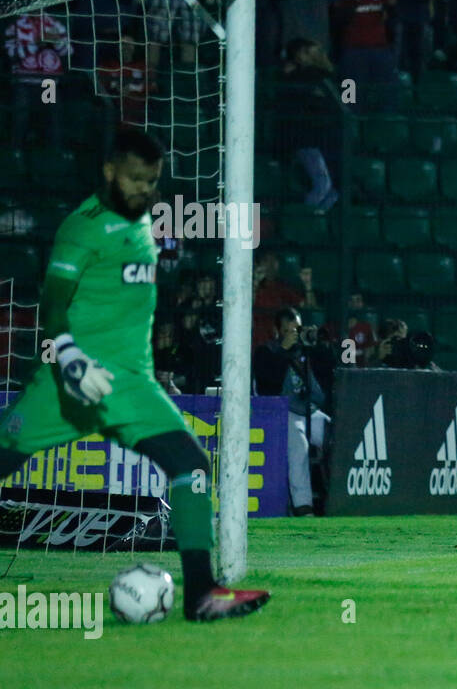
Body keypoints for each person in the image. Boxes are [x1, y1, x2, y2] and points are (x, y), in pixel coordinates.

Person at [0, 129, 269, 621]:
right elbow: (54, 301)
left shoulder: (145, 216)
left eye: (153, 181)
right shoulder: (82, 226)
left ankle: (202, 594)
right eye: (135, 179)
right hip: (71, 382)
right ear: (109, 172)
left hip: (133, 384)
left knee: (190, 466)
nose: (145, 190)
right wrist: (69, 355)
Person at [253, 306, 332, 517]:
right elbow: (266, 385)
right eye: (289, 330)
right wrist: (283, 351)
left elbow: (328, 373)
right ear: (277, 330)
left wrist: (317, 344)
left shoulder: (307, 350)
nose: (295, 334)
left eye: (297, 329)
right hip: (282, 412)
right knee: (299, 445)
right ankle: (303, 506)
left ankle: (336, 497)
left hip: (311, 411)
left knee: (339, 435)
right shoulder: (266, 351)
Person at [277, 38, 341, 210]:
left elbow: (350, 98)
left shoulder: (335, 76)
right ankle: (302, 223)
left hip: (329, 137)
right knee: (323, 184)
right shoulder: (296, 76)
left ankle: (314, 223)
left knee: (335, 189)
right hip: (306, 138)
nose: (316, 55)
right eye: (310, 52)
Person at [332, 0, 399, 99]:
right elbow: (338, 20)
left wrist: (391, 8)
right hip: (352, 51)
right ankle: (349, 118)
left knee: (384, 91)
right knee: (349, 93)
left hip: (379, 49)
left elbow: (393, 14)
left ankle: (381, 119)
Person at [4, 9, 70, 150]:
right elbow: (10, 53)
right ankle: (16, 154)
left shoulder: (54, 25)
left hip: (48, 83)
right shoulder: (15, 25)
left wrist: (56, 42)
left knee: (52, 118)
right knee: (21, 118)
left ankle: (52, 155)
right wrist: (36, 43)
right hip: (24, 81)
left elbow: (68, 52)